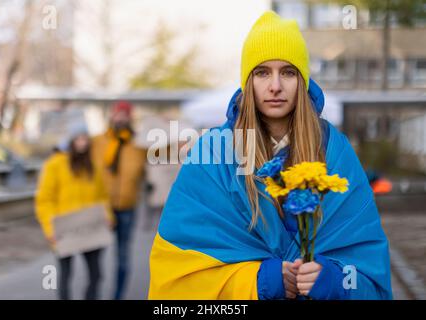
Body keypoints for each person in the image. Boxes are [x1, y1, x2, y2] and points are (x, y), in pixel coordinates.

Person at [148, 11, 392, 300]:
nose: (275, 86)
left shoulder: (336, 151)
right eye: (262, 72)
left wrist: (334, 280)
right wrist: (258, 282)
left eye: (288, 72)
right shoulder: (211, 153)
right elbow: (177, 279)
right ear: (247, 81)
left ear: (302, 80)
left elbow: (368, 270)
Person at [35, 122, 113, 300]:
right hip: (64, 230)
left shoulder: (93, 164)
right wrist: (50, 228)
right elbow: (44, 200)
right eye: (78, 138)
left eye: (85, 138)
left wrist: (107, 216)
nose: (82, 143)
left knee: (96, 275)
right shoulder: (54, 164)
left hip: (91, 228)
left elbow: (103, 196)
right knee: (65, 276)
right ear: (70, 140)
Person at [91, 101, 147, 300]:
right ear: (112, 116)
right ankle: (93, 294)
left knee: (122, 257)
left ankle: (118, 296)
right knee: (94, 257)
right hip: (100, 208)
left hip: (127, 208)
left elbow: (164, 155)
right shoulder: (97, 141)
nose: (121, 118)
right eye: (118, 114)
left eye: (125, 115)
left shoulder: (139, 144)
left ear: (130, 118)